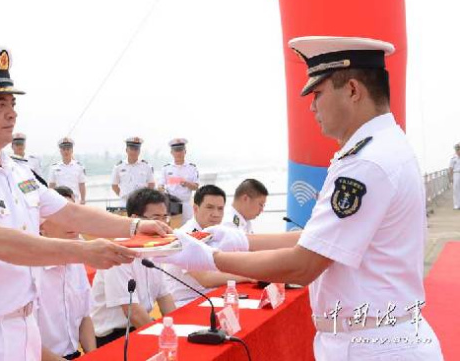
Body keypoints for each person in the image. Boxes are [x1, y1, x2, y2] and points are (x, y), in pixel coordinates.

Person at [161, 36, 443, 360]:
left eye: (318, 93)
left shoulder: (365, 163)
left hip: (373, 343)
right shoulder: (383, 147)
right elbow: (317, 241)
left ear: (352, 90)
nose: (311, 106)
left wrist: (210, 259)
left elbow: (304, 265)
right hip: (375, 335)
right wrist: (240, 241)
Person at [0, 47, 170, 361]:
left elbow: (69, 212)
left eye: (12, 103)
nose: (12, 113)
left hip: (23, 328)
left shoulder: (17, 170)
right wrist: (85, 252)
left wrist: (135, 225)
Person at [91, 188, 176, 347]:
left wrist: (176, 331)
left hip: (141, 327)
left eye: (165, 217)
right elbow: (133, 312)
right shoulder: (118, 252)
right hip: (115, 337)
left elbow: (165, 298)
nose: (162, 225)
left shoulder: (154, 249)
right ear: (136, 220)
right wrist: (163, 340)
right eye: (156, 218)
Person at [164, 185, 252, 307]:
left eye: (220, 209)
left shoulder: (218, 232)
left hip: (213, 297)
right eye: (209, 208)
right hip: (187, 302)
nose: (216, 214)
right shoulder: (186, 236)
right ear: (195, 209)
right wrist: (248, 276)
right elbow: (206, 279)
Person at [37, 186, 95, 360]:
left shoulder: (76, 262)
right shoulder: (27, 271)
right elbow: (23, 338)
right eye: (63, 217)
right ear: (41, 227)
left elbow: (85, 317)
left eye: (74, 216)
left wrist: (94, 356)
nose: (72, 224)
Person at [159, 138, 199, 224]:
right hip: (173, 203)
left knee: (188, 228)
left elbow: (196, 187)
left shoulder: (192, 168)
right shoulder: (166, 168)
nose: (178, 153)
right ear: (172, 152)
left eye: (181, 150)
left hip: (186, 203)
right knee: (174, 227)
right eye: (176, 150)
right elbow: (160, 186)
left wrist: (186, 183)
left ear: (185, 151)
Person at [111, 137, 155, 206]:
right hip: (125, 203)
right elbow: (114, 185)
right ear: (126, 150)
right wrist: (123, 195)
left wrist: (146, 197)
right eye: (131, 149)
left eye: (136, 149)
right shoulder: (118, 167)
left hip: (141, 203)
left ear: (139, 151)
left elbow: (151, 184)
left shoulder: (146, 166)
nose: (134, 152)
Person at [48, 137, 87, 204]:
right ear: (60, 151)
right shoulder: (54, 167)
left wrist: (83, 199)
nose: (66, 151)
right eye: (63, 149)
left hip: (75, 201)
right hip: (59, 201)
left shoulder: (79, 166)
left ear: (72, 150)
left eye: (68, 149)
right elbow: (51, 186)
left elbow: (82, 184)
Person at [449, 143, 460, 209]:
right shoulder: (453, 158)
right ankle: (456, 205)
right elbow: (451, 168)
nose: (458, 151)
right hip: (456, 174)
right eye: (457, 150)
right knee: (456, 190)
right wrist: (451, 177)